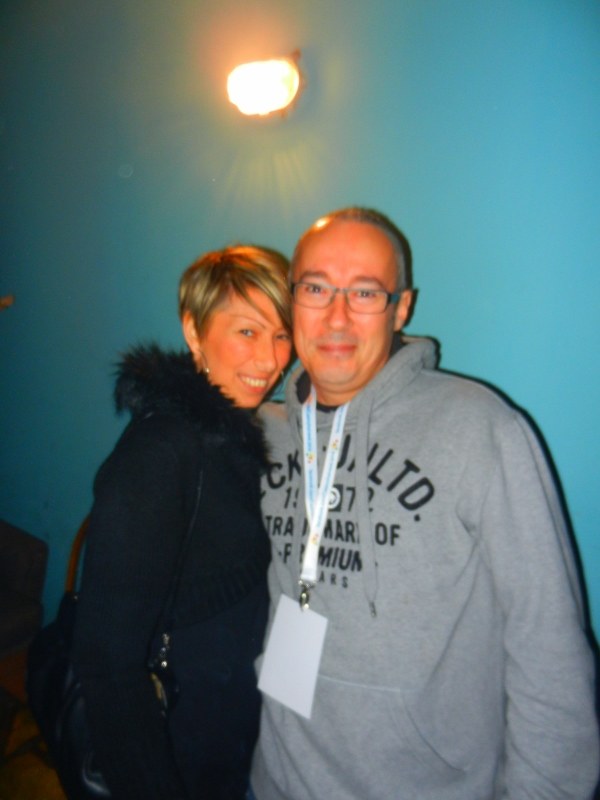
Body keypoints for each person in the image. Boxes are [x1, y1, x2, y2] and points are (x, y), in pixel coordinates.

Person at [251, 208, 599, 799]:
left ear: (402, 308)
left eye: (365, 292)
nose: (337, 316)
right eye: (316, 288)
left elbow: (549, 651)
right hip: (277, 783)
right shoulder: (262, 432)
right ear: (292, 301)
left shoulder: (480, 429)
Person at [72, 245, 293, 800]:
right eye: (247, 332)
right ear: (194, 331)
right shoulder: (160, 453)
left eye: (281, 335)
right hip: (179, 746)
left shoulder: (237, 435)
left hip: (235, 733)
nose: (270, 360)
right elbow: (107, 662)